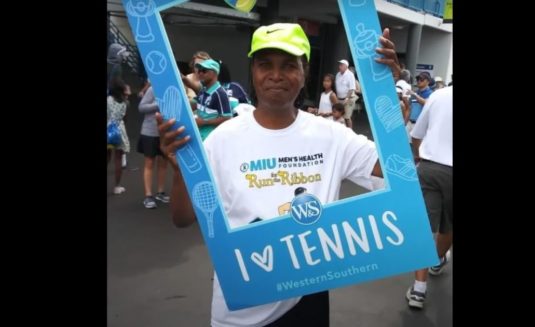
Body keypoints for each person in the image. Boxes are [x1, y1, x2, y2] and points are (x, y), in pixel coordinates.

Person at [156, 23, 401, 326]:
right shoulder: (222, 138)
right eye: (264, 65)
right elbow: (182, 218)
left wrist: (385, 98)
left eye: (288, 65)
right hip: (240, 302)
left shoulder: (332, 136)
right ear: (253, 72)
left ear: (304, 72)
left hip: (306, 297)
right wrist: (180, 172)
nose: (276, 75)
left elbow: (397, 172)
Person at [406, 86, 453, 310]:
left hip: (430, 168)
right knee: (449, 226)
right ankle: (437, 260)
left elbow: (416, 134)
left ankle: (419, 289)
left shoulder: (438, 96)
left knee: (424, 226)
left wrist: (419, 156)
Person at [137, 86, 171, 209]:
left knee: (163, 163)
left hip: (166, 132)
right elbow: (141, 107)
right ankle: (148, 196)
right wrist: (158, 104)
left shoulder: (174, 88)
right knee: (149, 162)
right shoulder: (153, 89)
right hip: (150, 131)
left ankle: (160, 193)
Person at [107, 79, 131, 194]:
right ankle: (117, 187)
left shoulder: (108, 100)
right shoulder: (124, 103)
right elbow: (124, 118)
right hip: (118, 130)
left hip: (107, 129)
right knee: (118, 159)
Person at [335, 59, 359, 129]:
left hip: (349, 99)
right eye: (339, 65)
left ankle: (350, 131)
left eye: (341, 65)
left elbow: (352, 88)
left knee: (347, 117)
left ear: (346, 66)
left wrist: (347, 98)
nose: (340, 66)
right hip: (339, 98)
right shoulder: (338, 74)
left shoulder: (350, 75)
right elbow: (337, 86)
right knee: (339, 116)